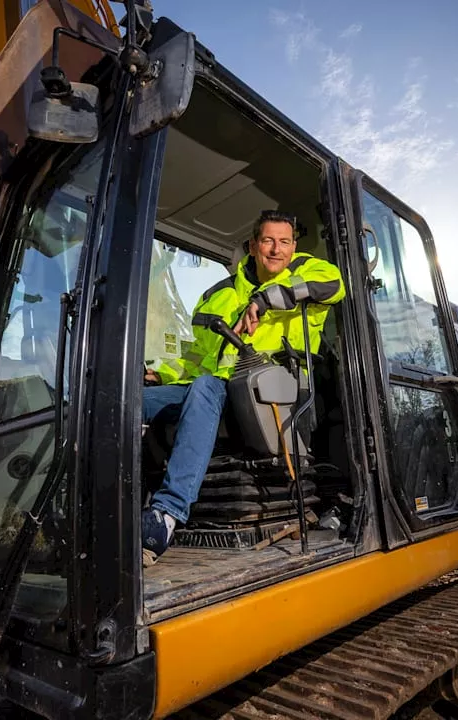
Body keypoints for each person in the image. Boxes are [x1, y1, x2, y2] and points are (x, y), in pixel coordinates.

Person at [141, 209, 346, 566]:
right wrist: (160, 374)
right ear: (253, 246)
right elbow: (198, 357)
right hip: (215, 389)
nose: (276, 249)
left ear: (294, 245)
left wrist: (265, 300)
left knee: (205, 387)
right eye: (268, 241)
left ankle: (166, 514)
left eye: (284, 241)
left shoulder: (311, 272)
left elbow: (331, 287)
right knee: (129, 401)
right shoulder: (216, 295)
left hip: (272, 391)